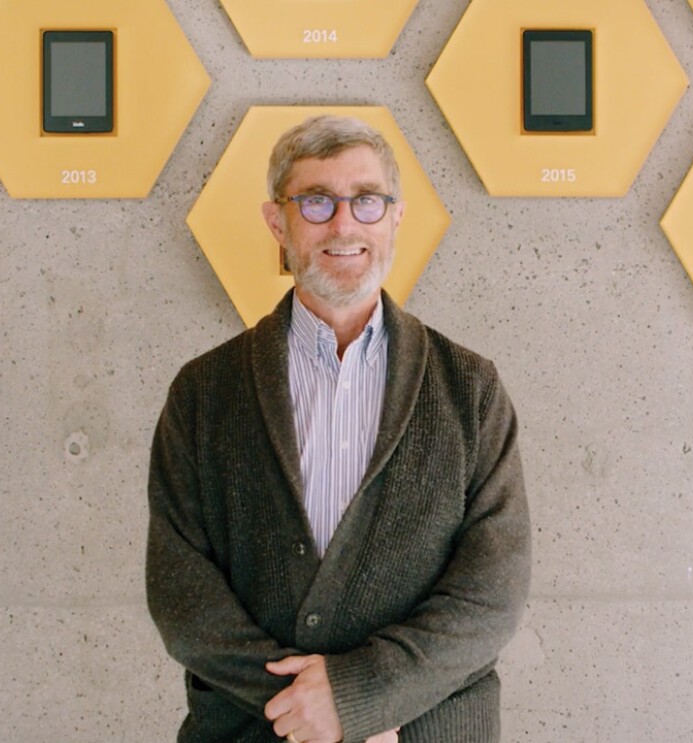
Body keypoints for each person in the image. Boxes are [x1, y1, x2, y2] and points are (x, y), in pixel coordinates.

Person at [146, 115, 531, 743]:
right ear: (278, 223)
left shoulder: (470, 388)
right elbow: (182, 598)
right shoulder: (203, 393)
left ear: (396, 218)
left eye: (366, 201)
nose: (345, 225)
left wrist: (361, 699)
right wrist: (311, 708)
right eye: (316, 202)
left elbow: (492, 594)